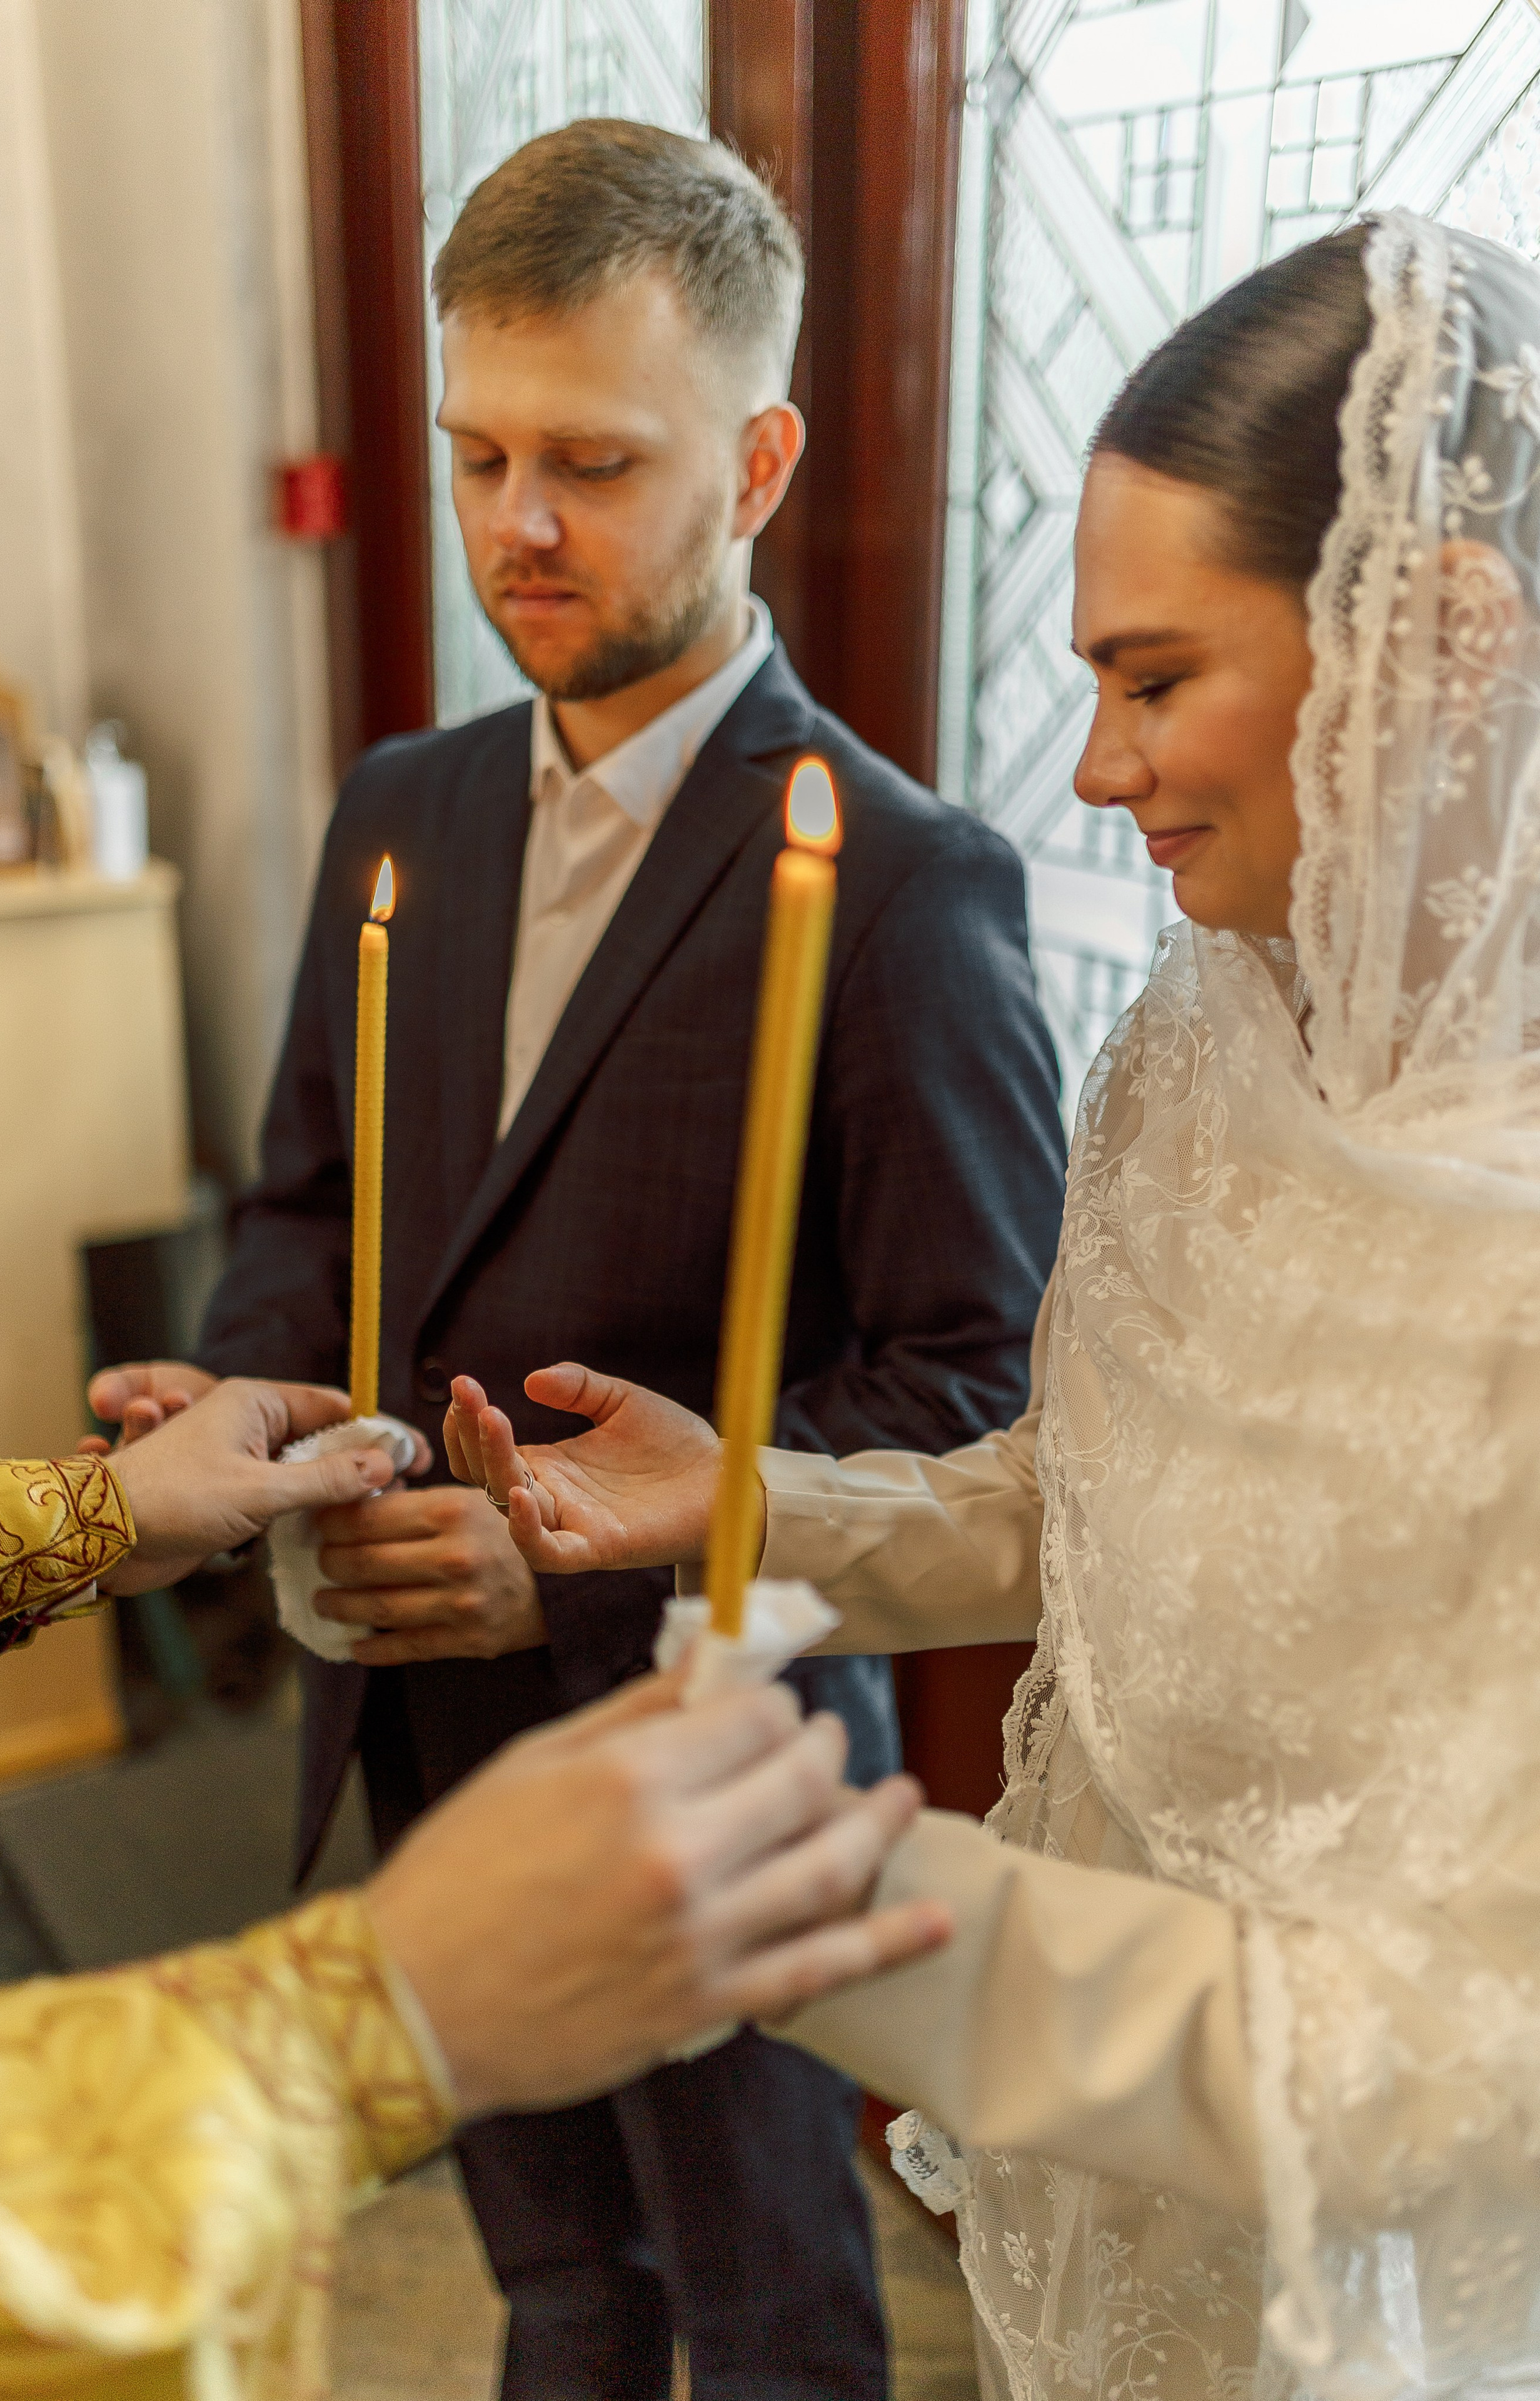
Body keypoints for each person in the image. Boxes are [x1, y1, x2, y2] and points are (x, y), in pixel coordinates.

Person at [455, 209, 1540, 2400]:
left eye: (1156, 682)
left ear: (1438, 631)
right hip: (1115, 2243)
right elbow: (1115, 1505)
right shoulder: (1209, 1044)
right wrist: (756, 1510)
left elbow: (1459, 2057)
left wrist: (835, 1910)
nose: (1096, 772)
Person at [91, 117, 1065, 2401]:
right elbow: (311, 1208)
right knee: (555, 2289)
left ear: (760, 459)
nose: (517, 526)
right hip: (414, 1713)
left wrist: (576, 1565)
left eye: (597, 464)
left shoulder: (909, 890)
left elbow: (980, 1398)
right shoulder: (402, 807)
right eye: (478, 453)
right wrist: (247, 1398)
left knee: (765, 2308)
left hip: (702, 1742)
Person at [0, 1381, 944, 2394]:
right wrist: (359, 2014)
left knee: (766, 2271)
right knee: (560, 2266)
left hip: (717, 1730)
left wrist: (83, 1514)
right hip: (439, 1750)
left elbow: (959, 1416)